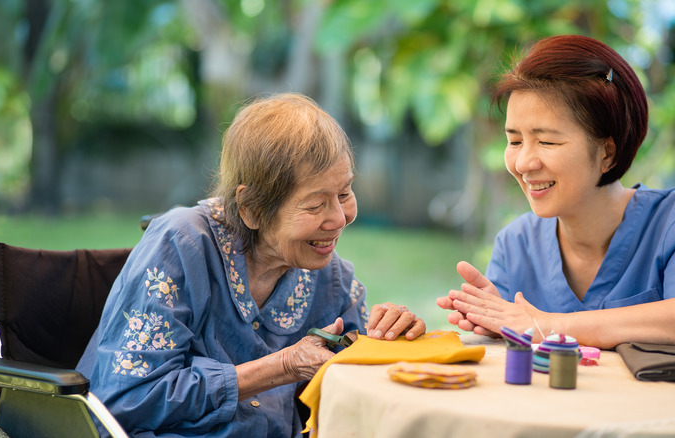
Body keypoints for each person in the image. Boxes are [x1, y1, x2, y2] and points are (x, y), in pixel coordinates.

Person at [77, 93, 426, 437]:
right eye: (316, 204)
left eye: (345, 193)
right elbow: (122, 399)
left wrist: (392, 337)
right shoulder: (182, 244)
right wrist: (282, 366)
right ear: (252, 209)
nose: (339, 218)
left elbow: (361, 375)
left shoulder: (330, 276)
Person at [436, 35, 675, 350]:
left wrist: (547, 326)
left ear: (607, 153)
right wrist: (491, 326)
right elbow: (508, 342)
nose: (523, 163)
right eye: (514, 141)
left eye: (546, 141)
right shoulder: (517, 245)